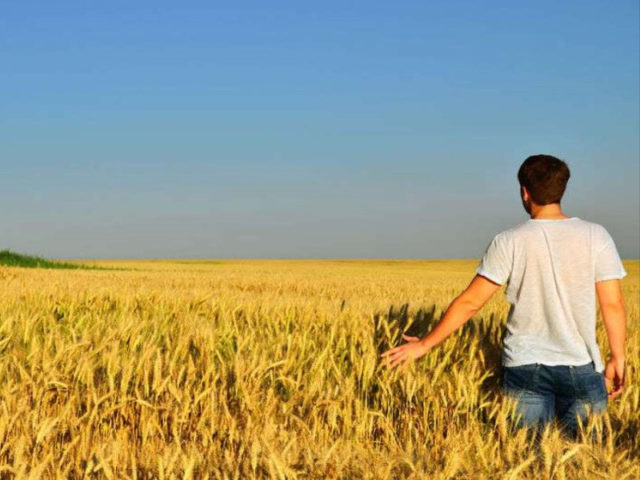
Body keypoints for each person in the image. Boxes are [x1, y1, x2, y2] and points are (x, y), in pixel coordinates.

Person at [380, 154, 627, 438]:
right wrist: (617, 356)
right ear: (562, 189)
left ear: (524, 192)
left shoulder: (509, 240)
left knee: (525, 457)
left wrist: (424, 344)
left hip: (524, 366)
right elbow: (613, 304)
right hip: (581, 365)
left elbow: (471, 302)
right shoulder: (596, 236)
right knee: (588, 459)